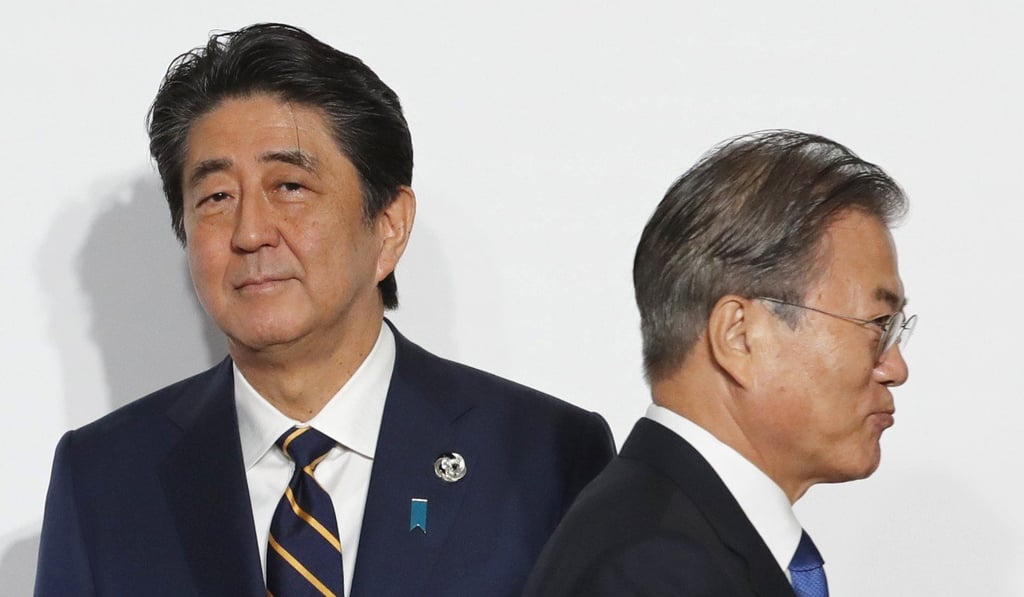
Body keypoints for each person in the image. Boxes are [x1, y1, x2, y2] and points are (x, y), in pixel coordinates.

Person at [35, 23, 614, 597]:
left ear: (388, 227)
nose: (251, 232)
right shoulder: (102, 481)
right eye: (216, 197)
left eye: (289, 186)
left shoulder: (547, 457)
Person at [523, 130, 916, 596]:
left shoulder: (671, 534)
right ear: (740, 336)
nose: (895, 368)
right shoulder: (658, 570)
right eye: (876, 324)